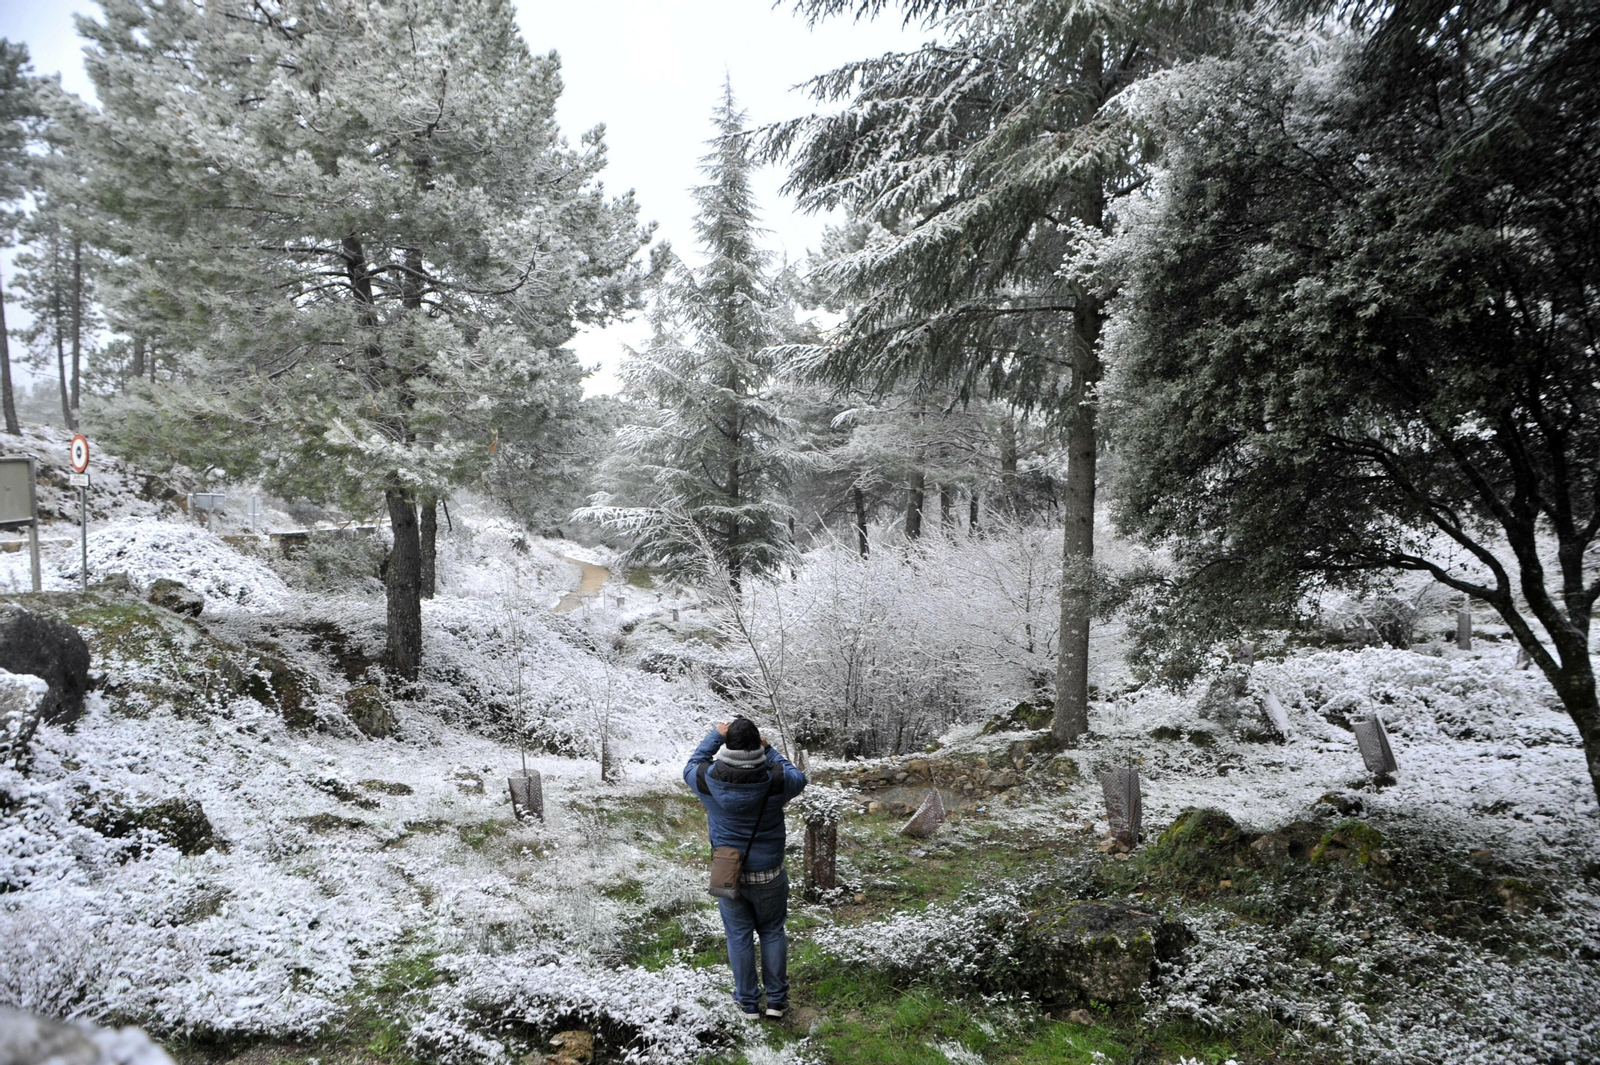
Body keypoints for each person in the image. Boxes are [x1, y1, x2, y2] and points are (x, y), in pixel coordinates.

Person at [683, 716, 807, 1019]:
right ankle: (776, 1001)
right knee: (772, 932)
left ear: (727, 746)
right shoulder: (777, 779)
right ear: (756, 746)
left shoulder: (706, 779)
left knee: (738, 936)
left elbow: (692, 763)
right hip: (770, 873)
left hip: (729, 874)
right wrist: (770, 749)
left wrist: (715, 735)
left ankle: (748, 1003)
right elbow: (799, 777)